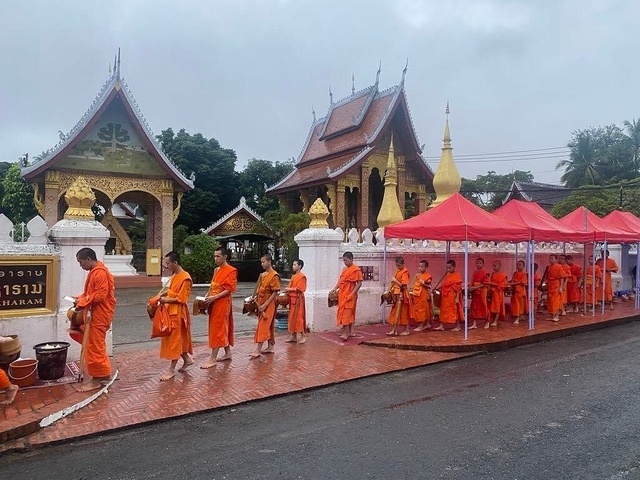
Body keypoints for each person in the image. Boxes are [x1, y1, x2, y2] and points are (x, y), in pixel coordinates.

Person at [74, 247, 116, 392]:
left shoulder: (100, 273)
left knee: (94, 347)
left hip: (99, 315)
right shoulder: (95, 272)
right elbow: (90, 294)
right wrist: (80, 298)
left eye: (81, 263)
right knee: (96, 345)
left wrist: (83, 302)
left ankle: (96, 380)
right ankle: (104, 373)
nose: (81, 266)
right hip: (96, 315)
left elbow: (100, 296)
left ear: (88, 259)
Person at [157, 251, 194, 381]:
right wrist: (160, 296)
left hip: (178, 313)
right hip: (170, 311)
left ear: (175, 263)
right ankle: (187, 359)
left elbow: (182, 298)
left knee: (174, 341)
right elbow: (171, 291)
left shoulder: (185, 278)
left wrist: (165, 300)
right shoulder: (175, 276)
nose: (166, 266)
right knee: (177, 339)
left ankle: (171, 369)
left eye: (168, 263)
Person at [200, 247, 237, 369]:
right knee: (219, 327)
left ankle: (213, 358)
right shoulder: (216, 270)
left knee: (218, 329)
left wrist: (214, 298)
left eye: (218, 256)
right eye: (214, 256)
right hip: (213, 301)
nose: (215, 259)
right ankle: (228, 352)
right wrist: (206, 297)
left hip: (222, 303)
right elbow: (212, 286)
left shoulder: (231, 270)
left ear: (225, 257)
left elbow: (229, 289)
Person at [251, 254, 280, 358]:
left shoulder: (274, 275)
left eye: (263, 262)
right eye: (261, 262)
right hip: (261, 301)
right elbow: (260, 288)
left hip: (269, 303)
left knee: (263, 325)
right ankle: (270, 347)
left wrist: (266, 304)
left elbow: (275, 292)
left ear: (269, 262)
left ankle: (258, 349)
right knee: (268, 324)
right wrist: (255, 296)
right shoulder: (263, 275)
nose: (262, 264)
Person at [330, 252, 363, 340]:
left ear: (351, 259)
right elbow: (341, 281)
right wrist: (335, 288)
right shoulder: (344, 269)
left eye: (346, 260)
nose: (345, 262)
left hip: (350, 295)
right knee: (345, 312)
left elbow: (359, 283)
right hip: (342, 294)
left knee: (347, 313)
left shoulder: (356, 270)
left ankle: (345, 333)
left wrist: (352, 294)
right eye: (344, 260)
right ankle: (351, 331)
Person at [435, 260, 463, 332]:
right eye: (447, 268)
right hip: (445, 296)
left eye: (449, 268)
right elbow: (445, 284)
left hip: (452, 296)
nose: (448, 269)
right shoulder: (448, 274)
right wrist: (439, 288)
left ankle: (457, 326)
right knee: (443, 311)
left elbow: (458, 289)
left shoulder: (457, 276)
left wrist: (457, 298)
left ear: (454, 267)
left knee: (454, 311)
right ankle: (441, 325)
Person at [387, 257, 410, 336]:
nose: (398, 267)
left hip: (402, 295)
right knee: (395, 312)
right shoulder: (398, 271)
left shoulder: (405, 272)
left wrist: (395, 281)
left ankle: (406, 330)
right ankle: (394, 330)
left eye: (399, 266)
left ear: (403, 264)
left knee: (404, 313)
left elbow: (403, 286)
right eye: (397, 266)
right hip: (396, 294)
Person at [285, 259, 307, 344]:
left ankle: (303, 336)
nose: (293, 266)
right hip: (292, 300)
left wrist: (289, 289)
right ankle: (293, 336)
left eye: (295, 265)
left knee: (298, 318)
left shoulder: (302, 276)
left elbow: (300, 289)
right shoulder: (293, 276)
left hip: (298, 300)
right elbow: (289, 286)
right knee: (291, 318)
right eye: (293, 265)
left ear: (299, 266)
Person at [409, 260, 433, 332]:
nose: (420, 268)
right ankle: (427, 324)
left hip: (423, 295)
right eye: (419, 266)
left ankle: (421, 325)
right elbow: (414, 284)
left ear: (426, 267)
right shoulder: (417, 275)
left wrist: (424, 284)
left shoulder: (428, 276)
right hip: (417, 295)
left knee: (422, 310)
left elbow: (429, 286)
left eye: (422, 267)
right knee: (420, 310)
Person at [468, 257, 489, 330]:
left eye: (480, 263)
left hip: (482, 292)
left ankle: (487, 321)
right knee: (474, 306)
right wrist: (470, 287)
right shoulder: (474, 272)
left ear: (483, 264)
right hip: (475, 292)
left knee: (483, 306)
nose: (478, 264)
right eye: (477, 263)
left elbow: (485, 283)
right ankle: (474, 323)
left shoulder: (485, 273)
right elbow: (471, 281)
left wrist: (475, 287)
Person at [486, 260, 508, 328]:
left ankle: (495, 320)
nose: (494, 267)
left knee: (497, 307)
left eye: (495, 266)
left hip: (498, 293)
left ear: (500, 266)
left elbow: (503, 285)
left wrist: (494, 284)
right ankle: (493, 319)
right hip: (492, 292)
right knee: (491, 306)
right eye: (493, 266)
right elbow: (490, 283)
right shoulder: (492, 274)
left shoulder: (502, 275)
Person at [546, 254, 568, 322]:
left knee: (556, 301)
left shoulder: (559, 267)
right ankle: (552, 315)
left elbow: (562, 277)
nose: (550, 260)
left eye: (552, 258)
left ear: (555, 259)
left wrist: (561, 287)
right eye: (550, 258)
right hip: (550, 285)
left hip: (556, 285)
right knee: (550, 301)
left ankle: (556, 316)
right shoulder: (549, 267)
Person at [510, 260, 527, 324]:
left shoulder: (524, 274)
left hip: (521, 292)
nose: (518, 266)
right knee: (515, 305)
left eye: (520, 265)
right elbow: (512, 281)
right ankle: (518, 316)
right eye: (517, 265)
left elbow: (523, 282)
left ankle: (518, 318)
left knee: (520, 306)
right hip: (515, 291)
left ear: (523, 266)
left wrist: (514, 283)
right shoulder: (515, 273)